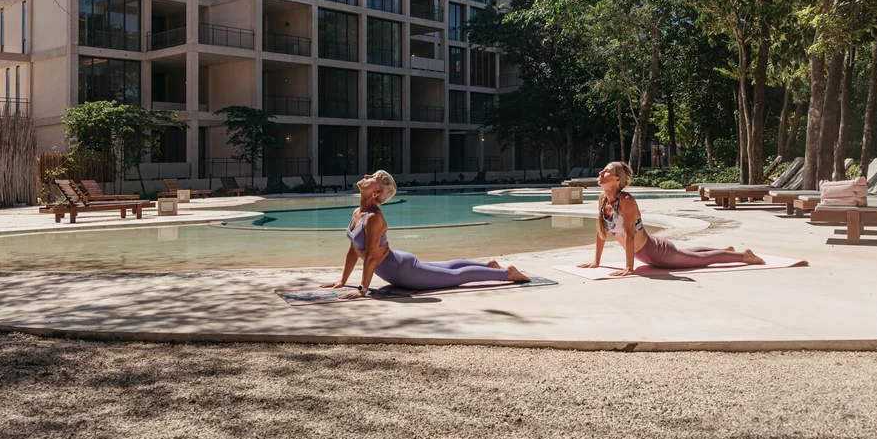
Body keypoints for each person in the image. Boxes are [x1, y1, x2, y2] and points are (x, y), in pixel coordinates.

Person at [322, 170, 530, 299]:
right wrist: (342, 280)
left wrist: (362, 289)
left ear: (376, 193)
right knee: (446, 266)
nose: (367, 176)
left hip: (405, 273)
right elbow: (354, 249)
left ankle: (507, 274)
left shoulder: (374, 218)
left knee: (455, 277)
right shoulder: (358, 213)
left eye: (373, 177)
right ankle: (488, 265)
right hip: (399, 263)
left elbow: (372, 256)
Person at [579, 161, 765, 276]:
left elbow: (630, 236)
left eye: (606, 171)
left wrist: (629, 268)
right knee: (691, 253)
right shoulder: (603, 199)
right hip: (649, 252)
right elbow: (600, 232)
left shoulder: (626, 201)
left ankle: (744, 256)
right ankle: (725, 250)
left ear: (617, 179)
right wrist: (597, 262)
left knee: (700, 260)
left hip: (656, 253)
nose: (600, 173)